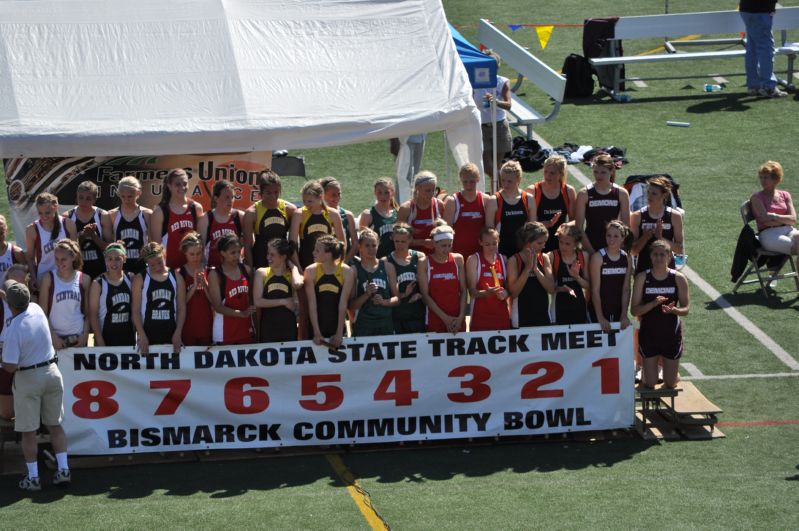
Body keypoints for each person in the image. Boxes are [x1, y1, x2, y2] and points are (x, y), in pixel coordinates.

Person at [1, 280, 71, 491]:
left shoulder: (13, 330)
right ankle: (64, 470)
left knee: (28, 431)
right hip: (52, 373)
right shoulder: (37, 309)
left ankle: (33, 477)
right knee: (55, 425)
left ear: (10, 306)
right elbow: (16, 297)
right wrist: (6, 294)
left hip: (28, 378)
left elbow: (10, 367)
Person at [631, 239, 690, 389]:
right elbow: (634, 310)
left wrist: (674, 310)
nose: (659, 258)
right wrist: (653, 304)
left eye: (662, 255)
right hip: (649, 335)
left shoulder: (678, 278)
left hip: (670, 335)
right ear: (650, 257)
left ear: (669, 256)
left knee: (670, 383)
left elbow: (686, 309)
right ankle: (648, 371)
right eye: (655, 254)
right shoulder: (642, 278)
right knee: (650, 383)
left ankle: (673, 374)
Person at [132, 242, 186, 354]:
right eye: (152, 265)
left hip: (171, 334)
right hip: (147, 335)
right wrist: (141, 335)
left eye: (159, 262)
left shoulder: (176, 277)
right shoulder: (140, 278)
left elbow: (181, 307)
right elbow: (135, 311)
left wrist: (178, 332)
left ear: (164, 256)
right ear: (146, 263)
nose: (157, 267)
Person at [39, 239, 91, 349]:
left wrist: (84, 335)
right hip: (56, 339)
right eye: (57, 259)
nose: (59, 263)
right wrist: (53, 337)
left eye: (63, 259)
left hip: (78, 338)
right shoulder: (48, 278)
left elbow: (88, 314)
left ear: (73, 257)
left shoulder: (84, 279)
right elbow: (43, 313)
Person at [304, 235, 355, 348]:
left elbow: (343, 305)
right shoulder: (310, 270)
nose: (313, 252)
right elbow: (312, 304)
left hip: (337, 326)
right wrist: (317, 333)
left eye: (317, 250)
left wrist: (339, 333)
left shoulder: (346, 271)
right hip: (316, 326)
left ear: (328, 254)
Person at [574, 154, 630, 254]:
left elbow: (626, 227)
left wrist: (615, 250)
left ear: (611, 171)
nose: (598, 176)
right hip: (591, 245)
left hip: (613, 246)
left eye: (603, 172)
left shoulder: (621, 193)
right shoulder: (584, 194)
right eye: (596, 172)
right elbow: (579, 228)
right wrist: (592, 253)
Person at [150, 168, 204, 270]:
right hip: (169, 269)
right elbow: (156, 246)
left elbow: (201, 241)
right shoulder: (160, 211)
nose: (182, 187)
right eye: (177, 184)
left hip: (191, 269)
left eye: (185, 183)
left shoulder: (196, 208)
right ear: (169, 186)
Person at [418, 223, 467, 333]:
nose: (447, 249)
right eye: (443, 246)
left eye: (449, 245)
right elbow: (425, 296)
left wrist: (460, 318)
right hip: (435, 319)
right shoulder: (424, 262)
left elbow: (464, 291)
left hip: (457, 320)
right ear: (434, 244)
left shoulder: (458, 259)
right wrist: (446, 319)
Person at [473, 51, 512, 188]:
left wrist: (496, 102)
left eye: (493, 65)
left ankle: (496, 198)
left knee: (496, 165)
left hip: (499, 125)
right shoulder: (475, 81)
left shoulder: (503, 81)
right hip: (481, 126)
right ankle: (505, 188)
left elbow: (508, 105)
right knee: (488, 166)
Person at [349, 229, 399, 336]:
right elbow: (351, 306)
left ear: (378, 245)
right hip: (363, 325)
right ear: (360, 247)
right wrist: (367, 294)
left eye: (374, 245)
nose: (371, 249)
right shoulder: (354, 270)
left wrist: (383, 302)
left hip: (385, 324)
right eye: (367, 245)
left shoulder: (387, 267)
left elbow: (398, 298)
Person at [630, 176, 684, 274]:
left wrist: (661, 238)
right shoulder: (637, 216)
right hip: (644, 270)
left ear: (664, 195)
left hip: (667, 271)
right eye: (648, 192)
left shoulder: (675, 216)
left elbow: (680, 250)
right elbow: (633, 251)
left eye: (654, 193)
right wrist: (645, 237)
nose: (649, 196)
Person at [25, 193, 78, 291]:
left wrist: (77, 276)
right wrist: (34, 279)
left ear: (56, 207)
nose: (43, 216)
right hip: (44, 279)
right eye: (40, 213)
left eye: (47, 212)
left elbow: (76, 255)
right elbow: (30, 259)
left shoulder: (68, 225)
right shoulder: (32, 229)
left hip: (67, 277)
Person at [243, 170, 297, 269]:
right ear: (261, 192)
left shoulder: (290, 209)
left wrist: (296, 266)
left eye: (276, 192)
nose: (273, 196)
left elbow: (293, 242)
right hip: (261, 262)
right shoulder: (251, 213)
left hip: (282, 264)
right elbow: (247, 245)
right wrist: (250, 272)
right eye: (268, 193)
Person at [208, 234, 255, 345]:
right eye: (232, 253)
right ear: (223, 253)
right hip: (224, 334)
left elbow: (252, 301)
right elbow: (217, 307)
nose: (237, 256)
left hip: (246, 330)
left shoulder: (246, 270)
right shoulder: (215, 274)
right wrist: (241, 314)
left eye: (239, 252)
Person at [254, 238, 303, 342]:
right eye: (268, 254)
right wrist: (283, 301)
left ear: (283, 257)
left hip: (288, 327)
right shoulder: (262, 273)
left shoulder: (291, 275)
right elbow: (258, 301)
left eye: (272, 255)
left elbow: (298, 284)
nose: (268, 257)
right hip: (268, 328)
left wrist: (294, 268)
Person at [507, 221, 554, 328]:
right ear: (528, 241)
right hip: (520, 318)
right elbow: (513, 293)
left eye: (544, 242)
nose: (543, 246)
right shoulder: (514, 260)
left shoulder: (544, 258)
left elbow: (551, 289)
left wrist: (536, 270)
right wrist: (527, 269)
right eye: (539, 243)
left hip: (543, 317)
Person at [290, 180, 346, 270]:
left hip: (327, 265)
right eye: (304, 201)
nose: (306, 204)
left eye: (310, 201)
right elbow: (292, 244)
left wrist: (338, 264)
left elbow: (342, 243)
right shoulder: (299, 214)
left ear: (321, 197)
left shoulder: (333, 214)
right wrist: (298, 268)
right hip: (305, 263)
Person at [485, 160, 535, 259]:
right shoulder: (494, 200)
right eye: (503, 180)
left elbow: (533, 229)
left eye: (509, 181)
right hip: (501, 253)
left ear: (518, 179)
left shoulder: (528, 199)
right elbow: (489, 232)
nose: (505, 185)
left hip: (522, 253)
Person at [527, 155, 577, 252]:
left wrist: (566, 226)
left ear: (561, 174)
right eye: (546, 171)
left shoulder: (568, 191)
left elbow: (575, 220)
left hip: (560, 244)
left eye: (552, 173)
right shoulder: (533, 190)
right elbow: (526, 224)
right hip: (537, 243)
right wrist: (543, 224)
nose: (547, 176)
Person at [590, 220, 633, 333]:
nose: (611, 239)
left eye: (616, 236)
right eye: (608, 235)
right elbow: (594, 290)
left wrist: (624, 315)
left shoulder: (627, 258)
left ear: (623, 238)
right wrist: (600, 317)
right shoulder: (598, 257)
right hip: (599, 311)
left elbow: (626, 289)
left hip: (618, 310)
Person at [89, 242, 135, 347]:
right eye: (110, 259)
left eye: (118, 259)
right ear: (105, 260)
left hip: (128, 340)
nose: (114, 263)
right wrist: (100, 342)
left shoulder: (131, 278)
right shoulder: (98, 283)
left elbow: (136, 311)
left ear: (125, 259)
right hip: (105, 340)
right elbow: (93, 315)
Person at [740, 1, 788, 98]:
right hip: (761, 10)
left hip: (746, 9)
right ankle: (768, 87)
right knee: (766, 49)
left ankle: (754, 86)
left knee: (752, 48)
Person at [750, 160, 799, 255]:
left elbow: (793, 220)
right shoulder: (756, 197)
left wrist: (773, 215)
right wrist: (785, 219)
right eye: (761, 178)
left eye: (766, 177)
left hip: (788, 229)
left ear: (776, 179)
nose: (762, 181)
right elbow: (766, 221)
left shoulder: (785, 195)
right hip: (768, 234)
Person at [0, 264, 29, 421]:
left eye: (20, 284)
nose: (15, 290)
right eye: (12, 284)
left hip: (28, 361)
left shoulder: (33, 305)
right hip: (6, 359)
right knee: (7, 413)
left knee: (29, 409)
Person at [467, 227, 511, 331]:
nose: (491, 247)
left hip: (502, 319)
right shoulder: (474, 259)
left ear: (499, 241)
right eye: (487, 244)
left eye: (494, 243)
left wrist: (506, 293)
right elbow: (472, 292)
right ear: (480, 242)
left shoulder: (504, 259)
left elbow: (510, 288)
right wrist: (486, 293)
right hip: (480, 319)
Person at [444, 162, 491, 259]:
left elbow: (489, 230)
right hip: (458, 255)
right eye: (465, 182)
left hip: (479, 256)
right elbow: (446, 232)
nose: (468, 185)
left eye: (472, 181)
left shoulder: (485, 200)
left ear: (478, 179)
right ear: (460, 179)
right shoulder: (452, 201)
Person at [65, 181, 111, 279]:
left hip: (100, 270)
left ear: (94, 200)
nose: (83, 202)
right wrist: (82, 236)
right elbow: (65, 250)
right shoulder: (67, 217)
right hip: (77, 271)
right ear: (76, 196)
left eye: (88, 199)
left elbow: (109, 248)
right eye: (80, 198)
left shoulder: (102, 215)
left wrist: (93, 236)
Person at [106, 175, 151, 274]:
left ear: (138, 193)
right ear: (119, 194)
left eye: (130, 196)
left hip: (141, 266)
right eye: (123, 196)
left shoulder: (147, 214)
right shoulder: (112, 214)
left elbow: (152, 243)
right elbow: (107, 245)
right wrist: (114, 245)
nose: (126, 200)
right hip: (119, 267)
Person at [386, 223, 426, 334]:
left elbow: (430, 284)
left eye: (403, 241)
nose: (399, 245)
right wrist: (405, 295)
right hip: (397, 314)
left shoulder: (419, 257)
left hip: (417, 313)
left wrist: (421, 294)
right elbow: (389, 292)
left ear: (410, 240)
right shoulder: (386, 261)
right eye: (396, 241)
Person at [549, 224, 590, 325]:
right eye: (561, 242)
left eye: (567, 244)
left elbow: (589, 286)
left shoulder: (583, 256)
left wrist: (576, 277)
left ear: (576, 244)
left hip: (579, 307)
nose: (563, 246)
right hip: (558, 308)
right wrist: (562, 288)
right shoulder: (552, 256)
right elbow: (549, 288)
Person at [197, 181, 243, 269]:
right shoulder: (205, 219)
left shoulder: (239, 217)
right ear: (216, 198)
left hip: (234, 270)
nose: (230, 201)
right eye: (226, 197)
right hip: (213, 270)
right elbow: (199, 250)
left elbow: (250, 244)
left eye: (232, 197)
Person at [178, 232, 213, 346]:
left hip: (206, 325)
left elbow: (214, 302)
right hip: (188, 327)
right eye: (191, 254)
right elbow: (180, 303)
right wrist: (194, 286)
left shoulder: (209, 271)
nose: (195, 257)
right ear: (185, 253)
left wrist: (205, 284)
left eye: (198, 253)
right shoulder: (180, 273)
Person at [397, 171, 445, 252]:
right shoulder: (406, 209)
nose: (431, 194)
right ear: (418, 188)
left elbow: (446, 232)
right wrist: (423, 243)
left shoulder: (439, 205)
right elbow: (399, 238)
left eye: (433, 190)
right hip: (412, 256)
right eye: (427, 190)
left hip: (435, 256)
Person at [359, 177, 398, 258]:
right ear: (375, 193)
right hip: (376, 260)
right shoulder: (368, 214)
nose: (383, 196)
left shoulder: (398, 212)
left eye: (386, 192)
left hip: (394, 259)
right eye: (379, 193)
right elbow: (362, 243)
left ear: (393, 193)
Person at [321, 177, 358, 263]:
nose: (337, 197)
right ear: (323, 195)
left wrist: (344, 262)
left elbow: (355, 245)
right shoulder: (319, 214)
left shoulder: (348, 215)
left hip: (343, 261)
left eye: (339, 194)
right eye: (333, 195)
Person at [0, 214, 25, 286]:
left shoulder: (16, 252)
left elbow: (27, 277)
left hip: (11, 296)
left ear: (6, 231)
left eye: (1, 233)